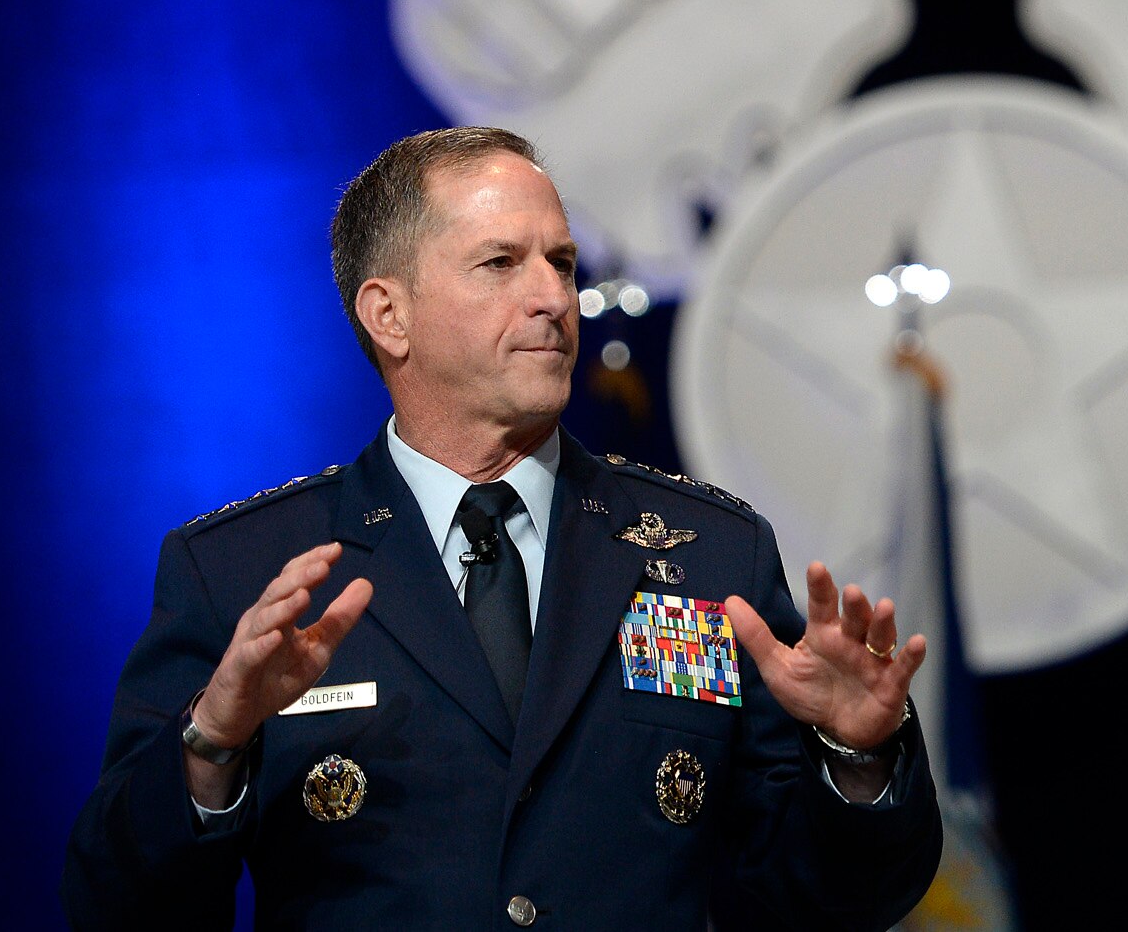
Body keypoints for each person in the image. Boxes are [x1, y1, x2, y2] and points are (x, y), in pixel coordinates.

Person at [64, 127, 941, 929]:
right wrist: (209, 745)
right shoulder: (241, 570)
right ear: (388, 314)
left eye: (561, 262)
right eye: (500, 262)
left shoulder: (712, 552)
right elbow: (118, 905)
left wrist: (854, 756)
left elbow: (825, 900)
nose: (554, 297)